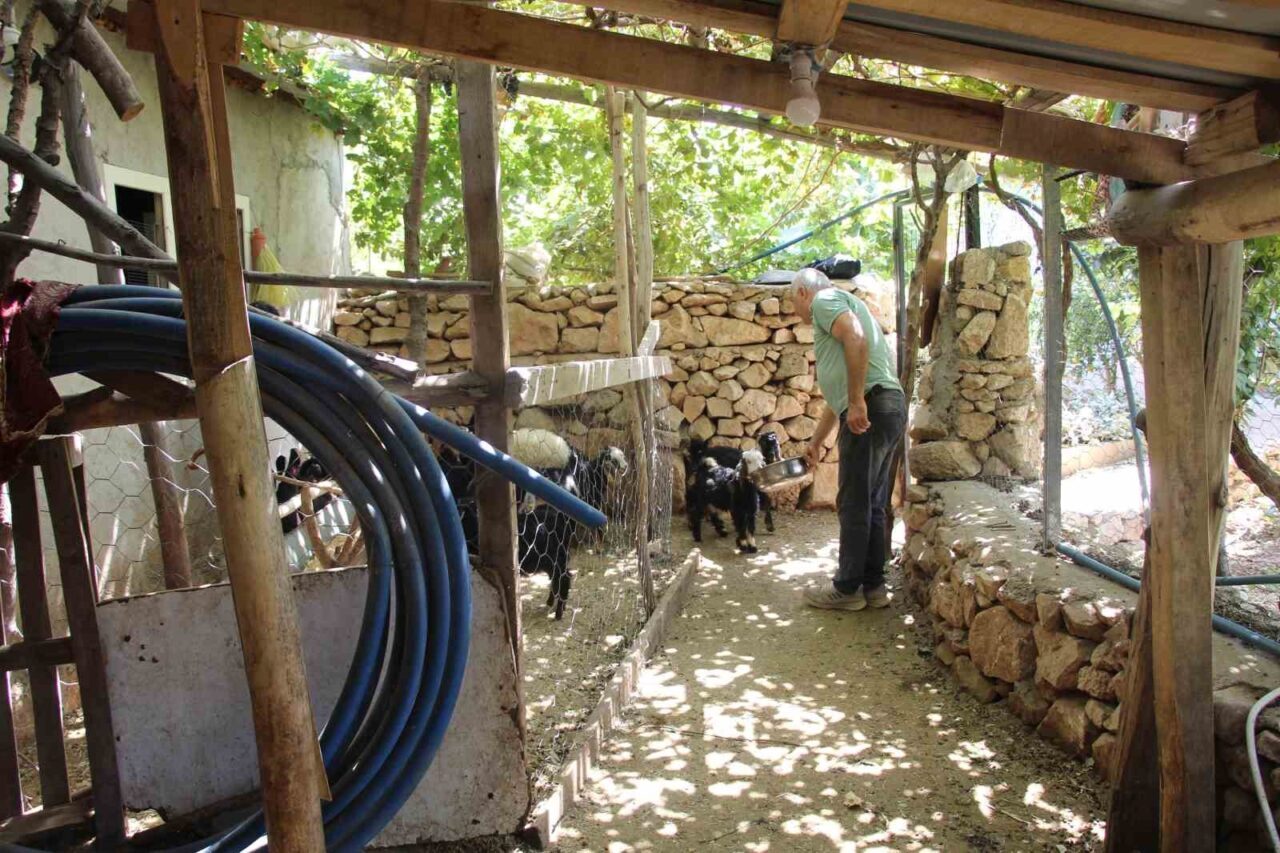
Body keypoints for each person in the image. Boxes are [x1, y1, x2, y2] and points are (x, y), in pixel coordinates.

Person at [791, 268, 907, 611]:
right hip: (887, 406)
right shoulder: (845, 307)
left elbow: (855, 338)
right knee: (871, 500)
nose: (794, 310)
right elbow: (837, 397)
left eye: (792, 301)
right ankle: (873, 586)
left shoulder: (824, 301)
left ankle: (847, 589)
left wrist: (857, 402)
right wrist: (816, 441)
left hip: (872, 403)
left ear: (802, 292)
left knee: (854, 500)